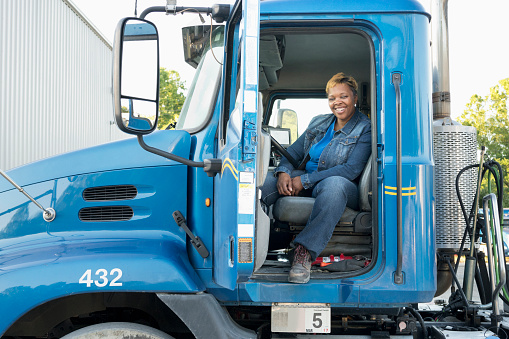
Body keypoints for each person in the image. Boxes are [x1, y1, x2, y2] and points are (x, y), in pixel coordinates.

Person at [261, 72, 372, 283]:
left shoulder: (364, 127)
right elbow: (292, 153)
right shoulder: (319, 122)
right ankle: (250, 245)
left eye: (344, 96)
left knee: (334, 185)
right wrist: (283, 172)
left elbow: (350, 170)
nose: (337, 102)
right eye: (332, 98)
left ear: (355, 98)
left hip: (342, 186)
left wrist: (304, 181)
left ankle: (303, 253)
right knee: (263, 183)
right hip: (307, 177)